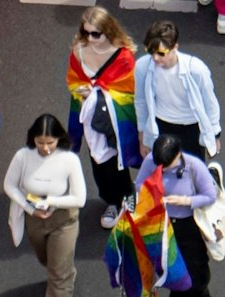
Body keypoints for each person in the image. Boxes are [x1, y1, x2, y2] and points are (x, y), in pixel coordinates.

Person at [2, 115, 85, 297]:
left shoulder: (69, 160)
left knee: (58, 275)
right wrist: (30, 209)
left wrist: (51, 203)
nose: (46, 148)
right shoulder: (23, 157)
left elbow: (79, 198)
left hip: (63, 221)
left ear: (59, 138)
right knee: (48, 261)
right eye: (40, 143)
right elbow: (10, 186)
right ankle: (64, 272)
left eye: (50, 142)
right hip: (35, 220)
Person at [135, 135, 219, 297]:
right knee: (173, 271)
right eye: (159, 166)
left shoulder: (194, 166)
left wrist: (185, 200)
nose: (161, 170)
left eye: (167, 166)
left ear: (178, 155)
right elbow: (139, 185)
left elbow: (210, 195)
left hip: (188, 225)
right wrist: (152, 197)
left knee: (196, 271)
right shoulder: (152, 162)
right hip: (163, 224)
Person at [65, 7, 138, 227]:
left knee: (116, 160)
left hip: (115, 119)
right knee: (97, 160)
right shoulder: (79, 51)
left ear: (108, 31)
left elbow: (127, 91)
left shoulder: (123, 57)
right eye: (86, 33)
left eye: (96, 34)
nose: (90, 38)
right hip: (90, 116)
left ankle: (126, 195)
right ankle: (111, 201)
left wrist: (97, 93)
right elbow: (73, 80)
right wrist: (87, 92)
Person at [134, 23, 220, 161]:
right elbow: (141, 100)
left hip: (190, 128)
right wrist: (142, 134)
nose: (155, 58)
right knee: (164, 172)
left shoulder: (196, 70)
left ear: (175, 47)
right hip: (161, 125)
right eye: (150, 51)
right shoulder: (142, 67)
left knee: (192, 171)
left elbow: (210, 103)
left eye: (161, 53)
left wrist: (214, 135)